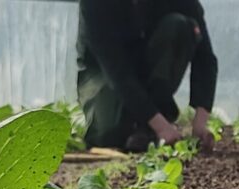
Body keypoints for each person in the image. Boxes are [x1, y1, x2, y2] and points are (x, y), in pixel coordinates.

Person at [76, 0, 218, 152]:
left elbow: (205, 58)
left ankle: (151, 122)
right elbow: (116, 71)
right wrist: (162, 128)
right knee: (109, 135)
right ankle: (147, 123)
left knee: (180, 26)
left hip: (148, 61)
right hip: (102, 70)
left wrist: (200, 123)